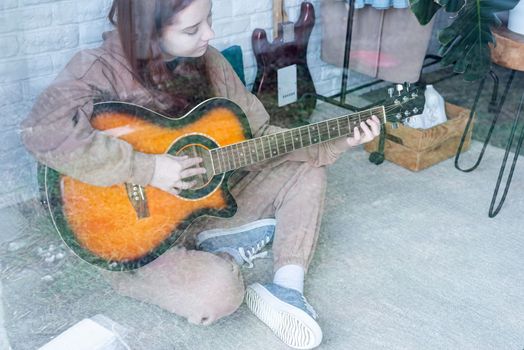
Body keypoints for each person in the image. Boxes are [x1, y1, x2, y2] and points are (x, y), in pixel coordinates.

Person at [21, 0, 381, 348]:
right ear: (148, 31)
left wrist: (336, 142)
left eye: (209, 18)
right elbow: (42, 132)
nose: (209, 33)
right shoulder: (97, 69)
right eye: (192, 28)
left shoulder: (210, 61)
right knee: (218, 294)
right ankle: (139, 275)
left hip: (205, 201)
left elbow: (257, 137)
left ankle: (287, 286)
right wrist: (147, 169)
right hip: (140, 231)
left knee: (309, 172)